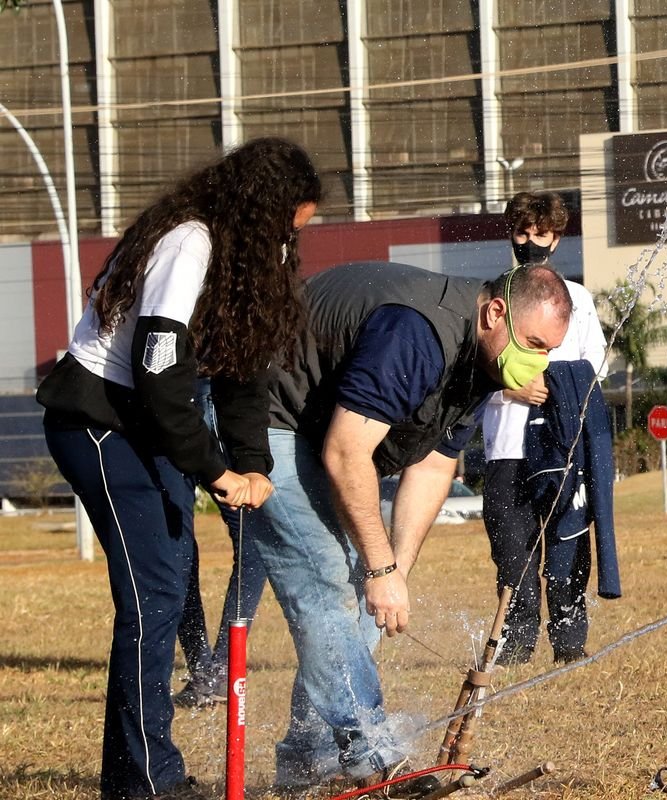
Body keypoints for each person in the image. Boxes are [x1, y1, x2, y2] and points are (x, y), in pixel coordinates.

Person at [35, 137, 321, 800]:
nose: (290, 244)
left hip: (149, 425)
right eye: (285, 228)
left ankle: (130, 777)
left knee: (169, 578)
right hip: (99, 421)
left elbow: (242, 370)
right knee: (155, 593)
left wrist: (252, 462)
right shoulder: (189, 243)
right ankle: (150, 782)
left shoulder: (244, 260)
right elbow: (158, 371)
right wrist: (216, 472)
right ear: (257, 211)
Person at [256, 259, 572, 794]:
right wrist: (378, 567)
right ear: (496, 312)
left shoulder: (482, 357)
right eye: (536, 345)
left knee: (358, 589)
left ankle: (308, 761)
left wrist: (396, 566)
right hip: (266, 418)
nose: (539, 365)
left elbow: (432, 463)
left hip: (323, 432)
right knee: (327, 581)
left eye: (549, 352)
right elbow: (346, 451)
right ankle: (372, 757)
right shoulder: (418, 333)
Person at [480, 191, 614, 665]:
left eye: (541, 234)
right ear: (510, 234)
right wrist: (507, 388)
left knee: (568, 547)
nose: (531, 241)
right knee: (513, 554)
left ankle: (570, 645)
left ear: (556, 240)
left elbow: (596, 363)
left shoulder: (576, 298)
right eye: (523, 232)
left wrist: (557, 382)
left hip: (561, 447)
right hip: (506, 449)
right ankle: (514, 648)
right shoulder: (491, 295)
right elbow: (468, 368)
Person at [171, 380, 269, 709]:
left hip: (199, 398)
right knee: (246, 549)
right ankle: (212, 673)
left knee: (180, 544)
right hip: (202, 398)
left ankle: (212, 673)